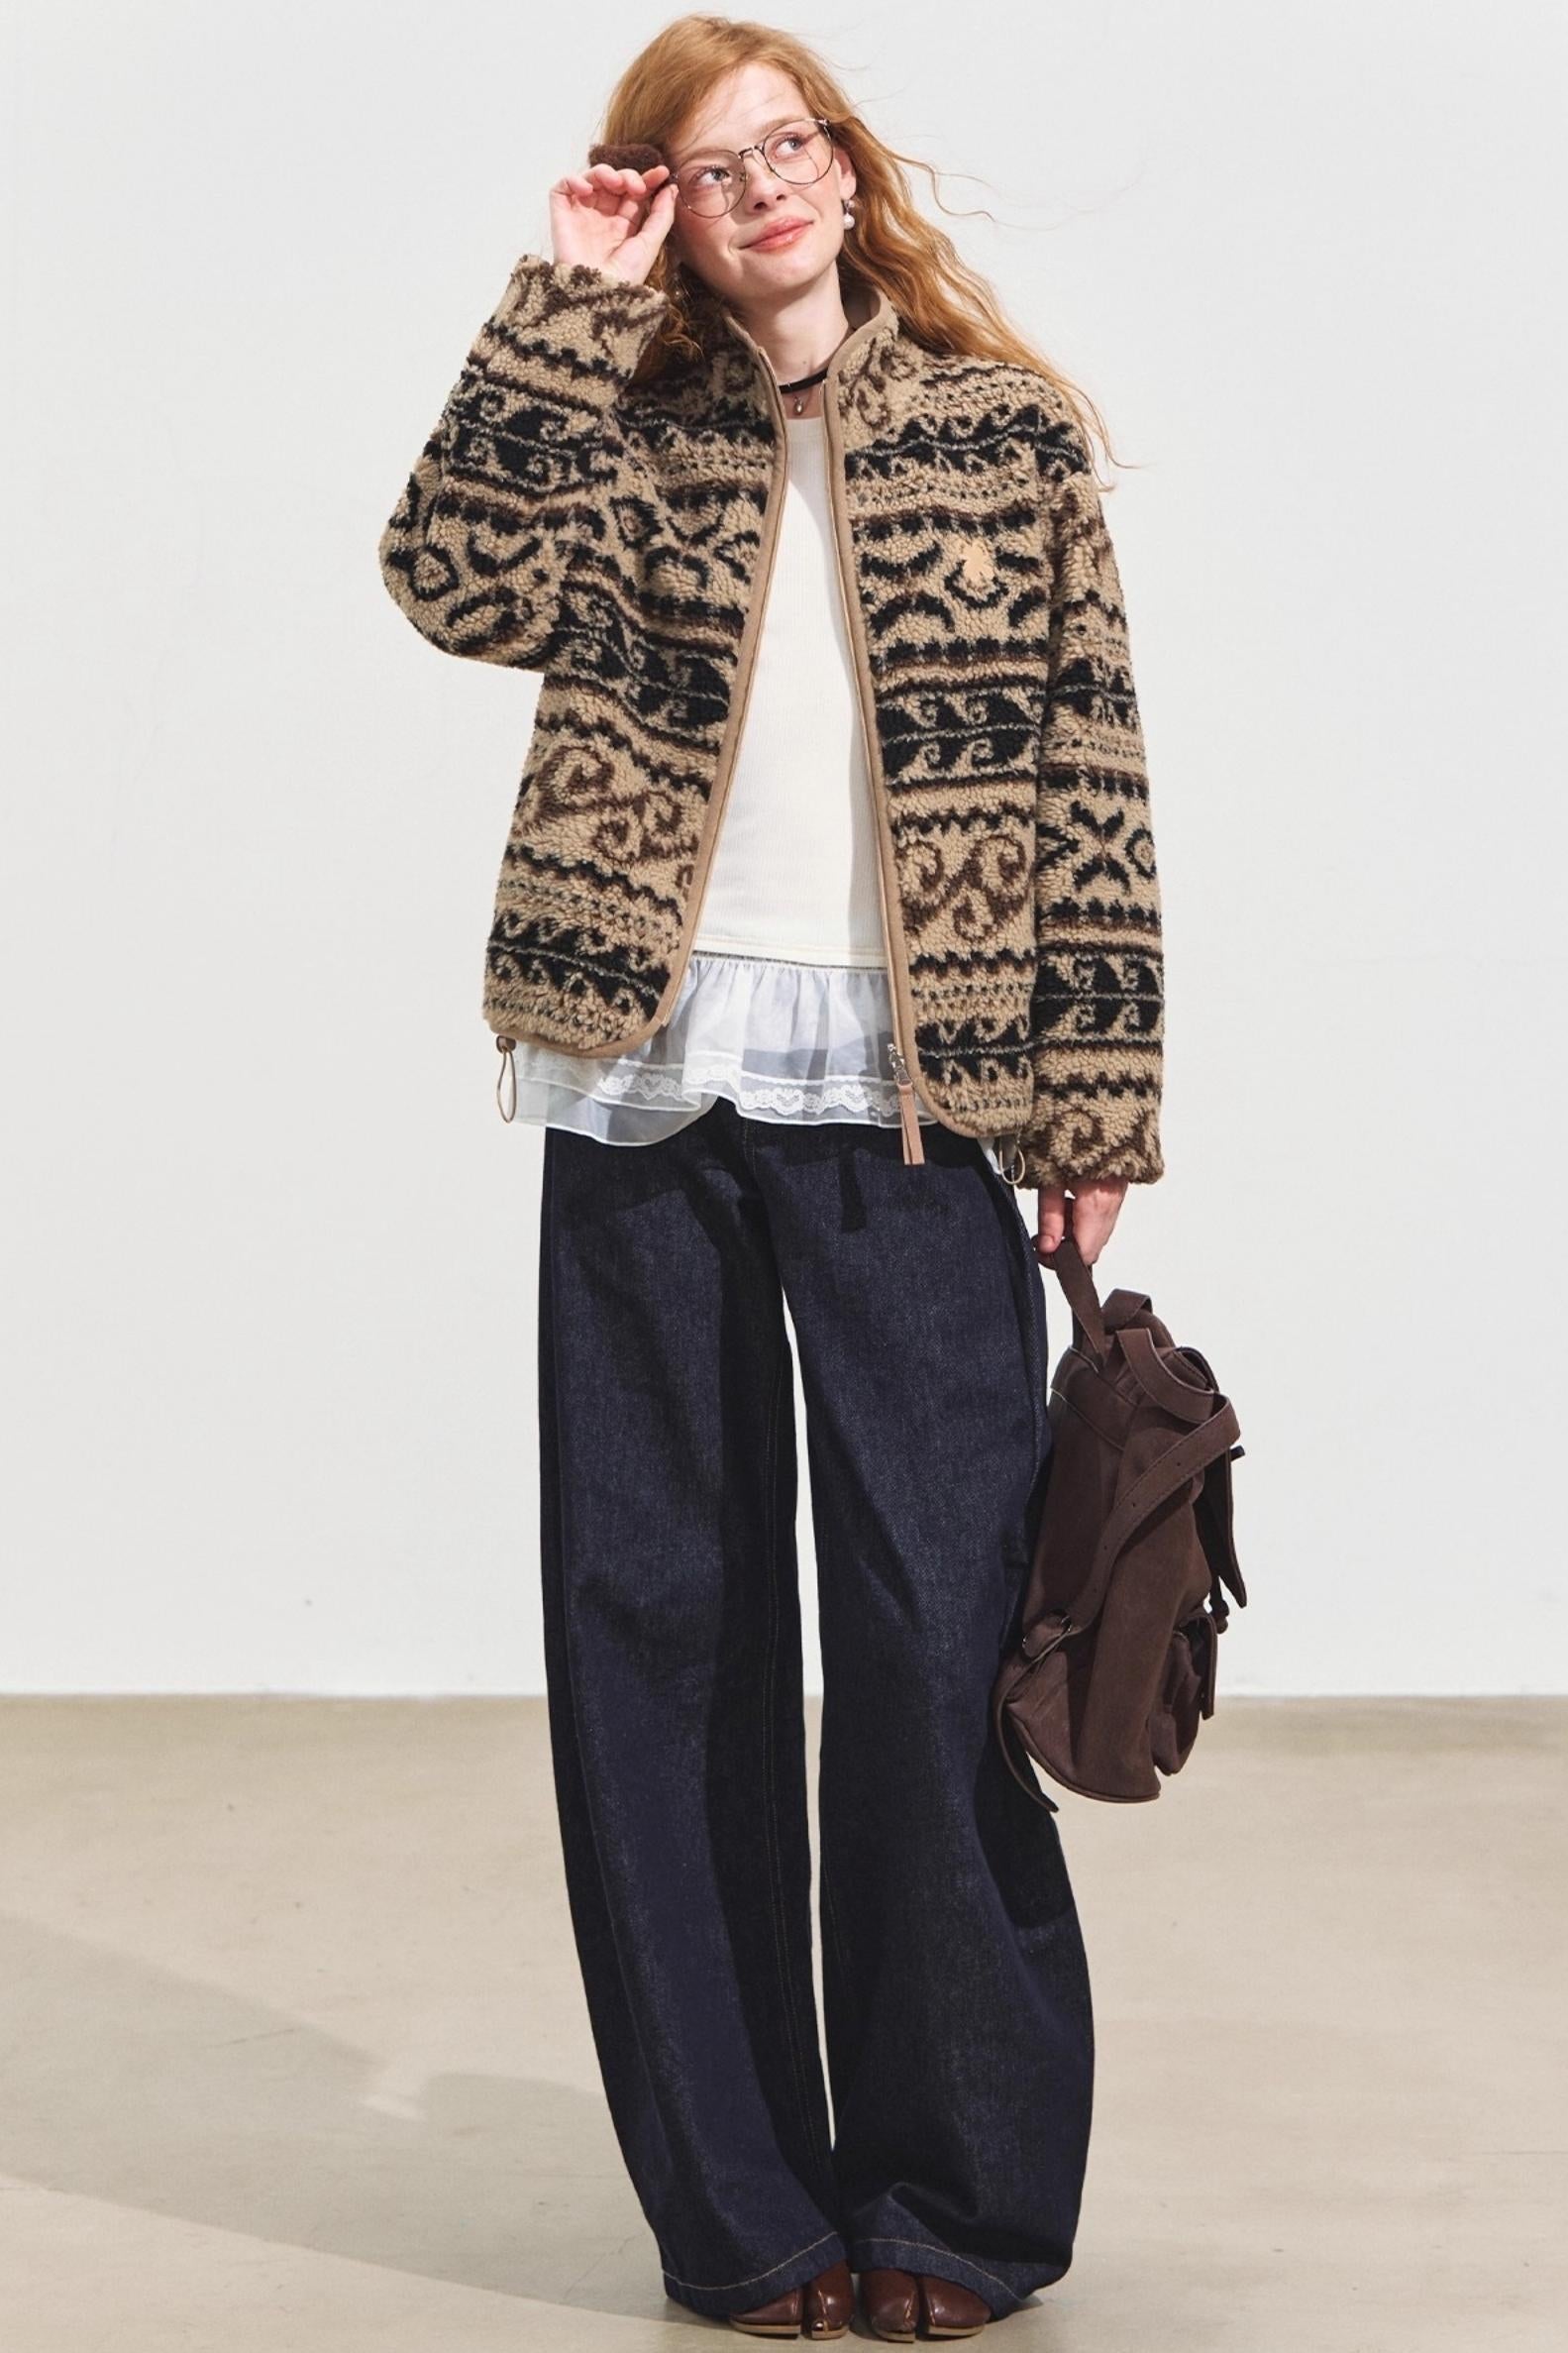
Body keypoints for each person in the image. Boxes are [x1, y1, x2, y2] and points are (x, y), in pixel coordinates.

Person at [377, 17, 1165, 2339]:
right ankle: (742, 2214)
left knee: (934, 1642)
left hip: (914, 1097)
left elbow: (1094, 776)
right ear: (660, 202)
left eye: (792, 143)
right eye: (710, 167)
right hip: (642, 1079)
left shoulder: (1006, 432)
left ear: (846, 162)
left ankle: (960, 2203)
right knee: (658, 1635)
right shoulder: (624, 415)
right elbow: (449, 584)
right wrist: (561, 298)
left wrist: (1097, 1111)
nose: (769, 186)